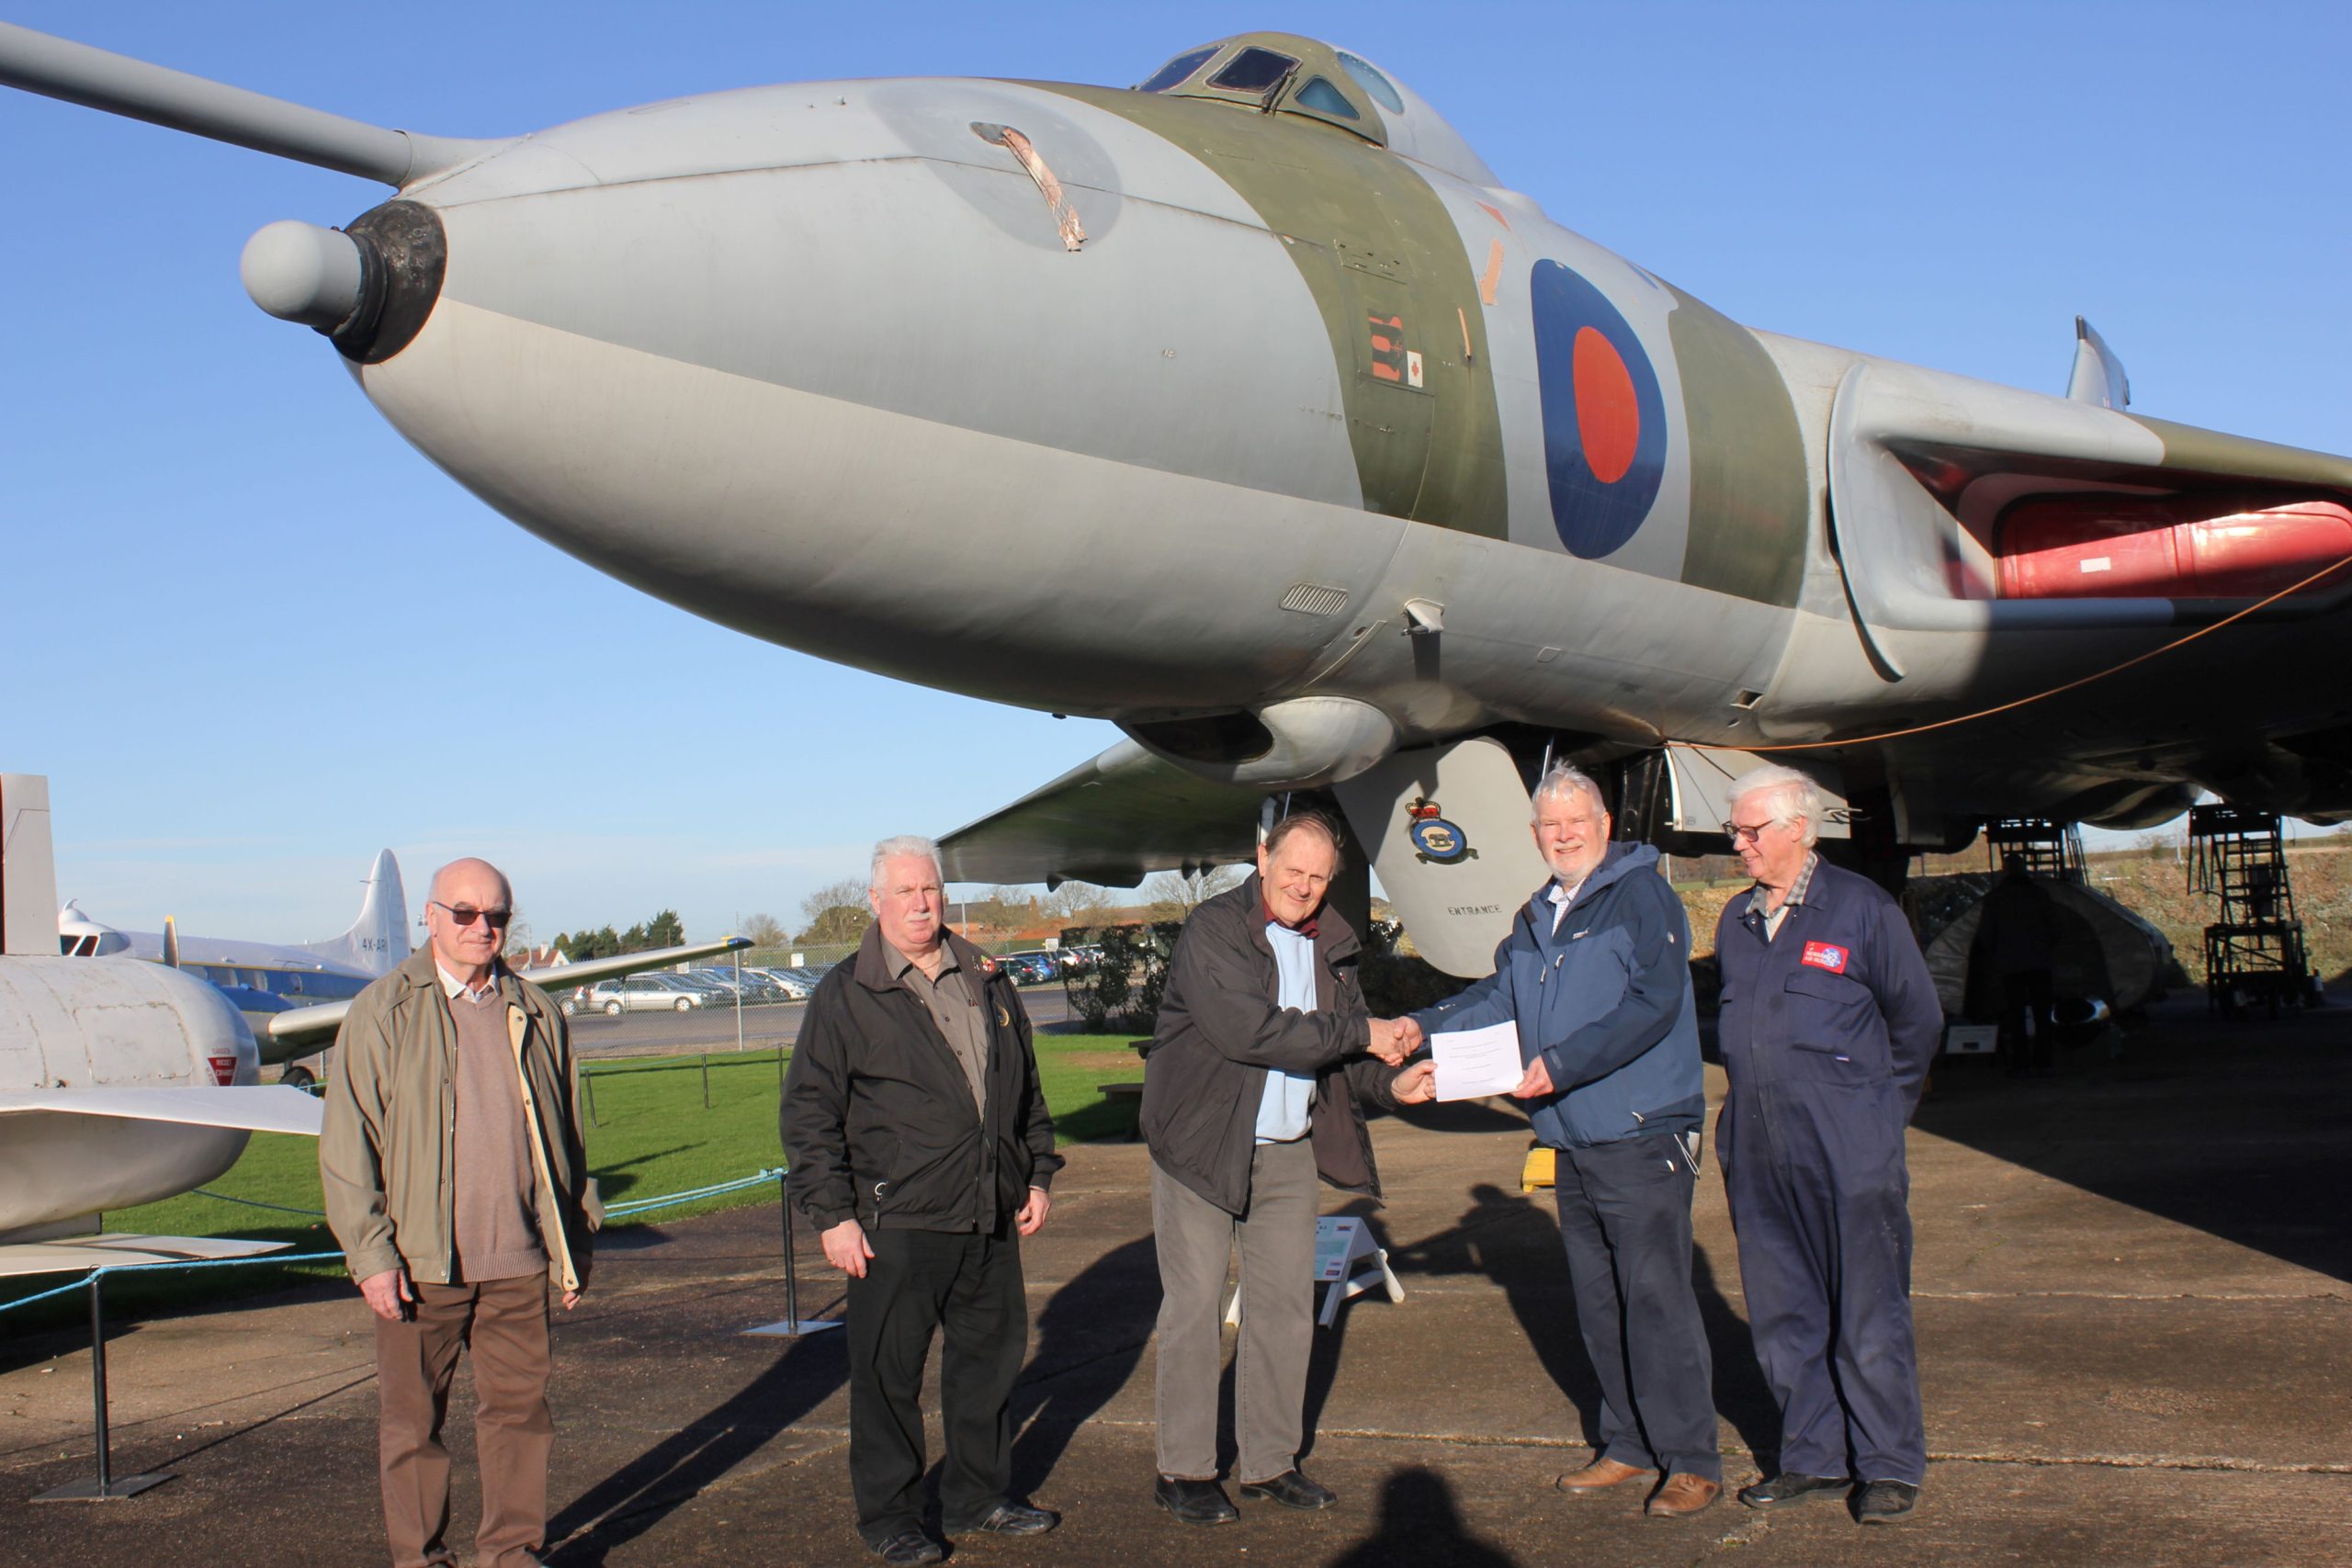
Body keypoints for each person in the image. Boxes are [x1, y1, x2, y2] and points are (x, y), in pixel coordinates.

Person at [1410, 763, 1721, 1517]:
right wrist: (1419, 1028)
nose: (1565, 834)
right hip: (1572, 1138)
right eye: (1551, 825)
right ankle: (1627, 1444)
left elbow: (1654, 1001)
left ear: (1605, 824)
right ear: (1534, 836)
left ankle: (1690, 1458)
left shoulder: (1643, 895)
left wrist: (1561, 1064)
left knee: (1655, 1298)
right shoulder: (1535, 914)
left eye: (1577, 819)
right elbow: (1497, 998)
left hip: (1642, 1132)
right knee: (1599, 1300)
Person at [1141, 810, 1434, 1526]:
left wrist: (1389, 1083)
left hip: (1286, 1148)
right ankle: (1184, 1468)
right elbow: (1253, 1031)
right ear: (1261, 856)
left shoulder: (1331, 940)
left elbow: (1341, 1056)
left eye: (1318, 876)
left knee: (1284, 1311)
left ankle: (1270, 1462)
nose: (1303, 887)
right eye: (1292, 870)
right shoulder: (1215, 928)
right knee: (1195, 1307)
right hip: (1201, 1145)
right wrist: (1365, 1031)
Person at [780, 836, 1064, 1565]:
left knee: (989, 1368)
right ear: (875, 902)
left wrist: (1035, 1173)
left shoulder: (986, 978)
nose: (920, 903)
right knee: (888, 1379)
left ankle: (979, 1496)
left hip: (988, 1211)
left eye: (930, 888)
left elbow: (1024, 1089)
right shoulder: (847, 993)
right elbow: (809, 1113)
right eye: (903, 891)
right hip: (894, 1221)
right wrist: (833, 1213)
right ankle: (891, 1516)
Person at [321, 857, 599, 1568]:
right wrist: (372, 1257)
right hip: (421, 1264)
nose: (484, 927)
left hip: (517, 1262)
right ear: (432, 917)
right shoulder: (383, 1010)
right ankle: (421, 1558)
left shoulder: (537, 1010)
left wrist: (574, 1245)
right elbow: (347, 1147)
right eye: (467, 913)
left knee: (520, 1419)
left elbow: (565, 1139)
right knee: (414, 1427)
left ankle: (511, 1552)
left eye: (498, 915)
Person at [1713, 767, 1942, 1526]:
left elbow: (1918, 1022)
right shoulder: (1737, 921)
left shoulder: (1861, 909)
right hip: (1757, 1143)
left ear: (1800, 828)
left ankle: (1886, 1462)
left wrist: (1876, 1111)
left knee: (1868, 1308)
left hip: (1848, 1143)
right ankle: (1812, 1455)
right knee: (1783, 1309)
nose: (1739, 843)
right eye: (1736, 831)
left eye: (1751, 830)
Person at [1975, 854, 2057, 1077]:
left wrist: (1996, 957)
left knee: (2015, 1015)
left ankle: (2020, 1062)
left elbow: (1986, 934)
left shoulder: (1995, 899)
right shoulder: (2040, 895)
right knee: (2042, 1014)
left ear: (2005, 870)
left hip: (2010, 965)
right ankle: (2045, 1061)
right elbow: (2055, 928)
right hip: (2040, 963)